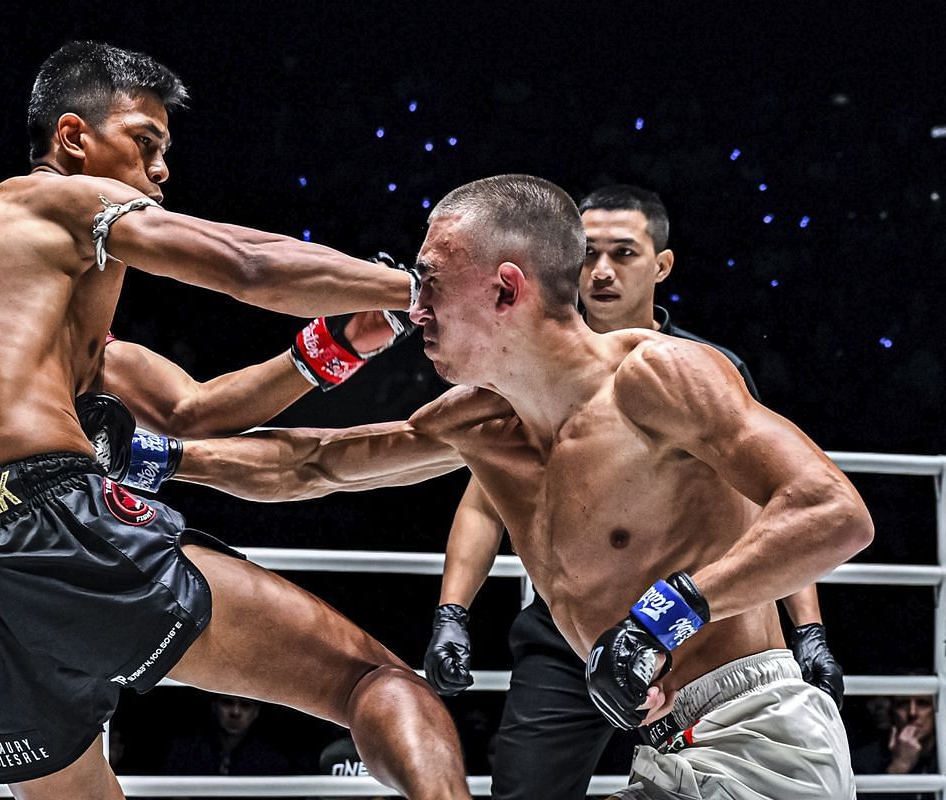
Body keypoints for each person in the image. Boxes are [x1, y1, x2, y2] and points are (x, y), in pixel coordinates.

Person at [173, 174, 874, 798]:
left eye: (431, 283)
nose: (414, 308)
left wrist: (662, 619)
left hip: (757, 737)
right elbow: (313, 465)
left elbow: (835, 512)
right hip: (666, 754)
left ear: (506, 288)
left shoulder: (656, 378)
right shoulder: (478, 423)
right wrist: (161, 457)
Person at [0, 40, 469, 800]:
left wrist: (343, 341)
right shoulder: (35, 199)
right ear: (72, 138)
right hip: (46, 518)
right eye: (144, 143)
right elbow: (246, 265)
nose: (160, 171)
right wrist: (423, 291)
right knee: (376, 681)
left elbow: (193, 409)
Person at [421, 185, 845, 800]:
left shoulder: (693, 370)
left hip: (688, 634)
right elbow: (482, 501)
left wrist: (807, 630)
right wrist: (452, 612)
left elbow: (785, 511)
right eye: (588, 253)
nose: (601, 271)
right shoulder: (510, 386)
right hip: (569, 631)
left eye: (622, 253)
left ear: (661, 265)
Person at [161, 694, 293, 776]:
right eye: (227, 702)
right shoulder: (185, 750)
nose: (235, 712)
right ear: (214, 706)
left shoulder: (270, 758)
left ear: (256, 713)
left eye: (245, 705)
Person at [852, 693, 937, 800]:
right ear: (892, 710)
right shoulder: (866, 759)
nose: (912, 713)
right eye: (903, 704)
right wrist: (899, 767)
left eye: (923, 703)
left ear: (936, 710)